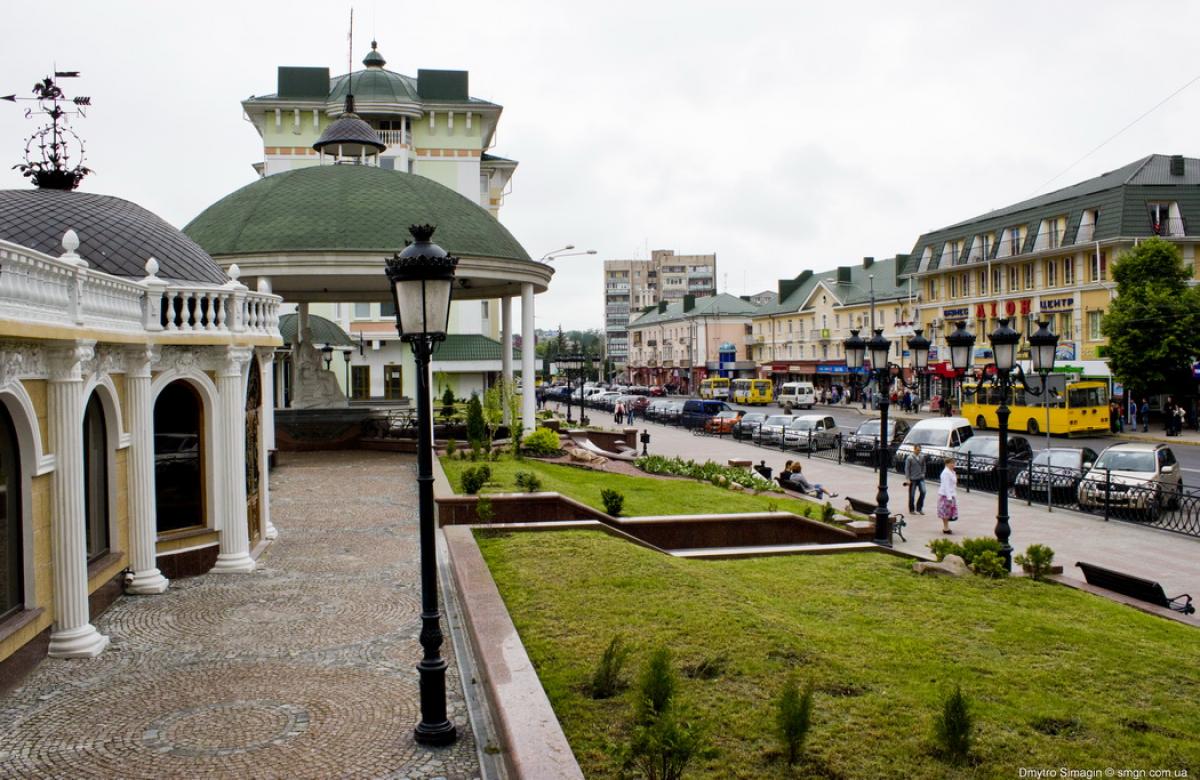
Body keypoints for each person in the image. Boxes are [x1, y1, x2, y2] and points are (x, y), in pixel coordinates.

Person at [904, 444, 927, 515]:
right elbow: (907, 469)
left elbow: (924, 466)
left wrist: (923, 473)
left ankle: (919, 508)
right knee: (912, 495)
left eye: (920, 450)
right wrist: (907, 479)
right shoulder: (909, 458)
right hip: (912, 479)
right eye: (917, 450)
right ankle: (911, 509)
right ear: (914, 449)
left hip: (920, 478)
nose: (918, 451)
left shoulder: (922, 457)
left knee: (923, 492)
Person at [937, 457, 958, 534]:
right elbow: (946, 486)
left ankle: (946, 527)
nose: (953, 465)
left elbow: (954, 483)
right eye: (951, 463)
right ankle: (946, 528)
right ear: (947, 464)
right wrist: (949, 497)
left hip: (952, 494)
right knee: (945, 512)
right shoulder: (946, 473)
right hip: (945, 495)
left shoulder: (952, 472)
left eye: (954, 463)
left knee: (949, 512)